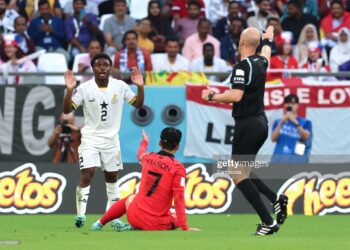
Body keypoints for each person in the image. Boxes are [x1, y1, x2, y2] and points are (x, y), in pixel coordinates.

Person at [201, 26, 287, 235]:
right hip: (260, 122)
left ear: (240, 42)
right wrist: (268, 39)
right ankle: (276, 199)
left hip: (247, 123)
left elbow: (236, 96)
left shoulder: (241, 67)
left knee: (236, 173)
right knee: (243, 170)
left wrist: (211, 96)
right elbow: (266, 50)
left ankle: (268, 221)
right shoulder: (261, 61)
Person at [62, 53, 145, 228]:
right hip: (91, 138)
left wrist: (140, 87)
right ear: (93, 68)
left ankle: (114, 218)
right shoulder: (85, 88)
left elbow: (138, 105)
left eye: (106, 65)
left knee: (112, 177)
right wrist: (69, 90)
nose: (102, 68)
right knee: (88, 173)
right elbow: (68, 109)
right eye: (98, 65)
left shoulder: (120, 86)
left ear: (110, 68)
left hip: (111, 140)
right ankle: (80, 216)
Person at [91, 128, 200, 232]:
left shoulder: (148, 158)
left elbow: (140, 155)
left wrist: (144, 142)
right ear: (178, 146)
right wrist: (185, 227)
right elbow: (179, 198)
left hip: (135, 216)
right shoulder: (178, 168)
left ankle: (99, 223)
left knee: (130, 198)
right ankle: (138, 226)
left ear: (160, 143)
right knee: (174, 217)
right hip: (155, 224)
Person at [271, 94, 312, 163]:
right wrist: (281, 122)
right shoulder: (278, 121)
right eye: (288, 103)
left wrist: (296, 122)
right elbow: (273, 139)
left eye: (293, 103)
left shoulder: (305, 122)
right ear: (284, 105)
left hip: (297, 160)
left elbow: (306, 137)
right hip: (279, 160)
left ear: (297, 105)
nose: (290, 105)